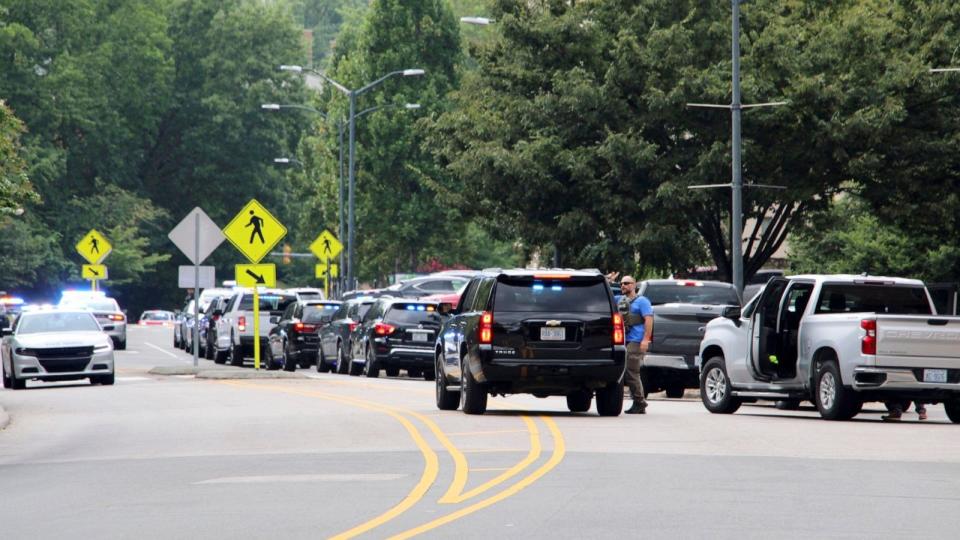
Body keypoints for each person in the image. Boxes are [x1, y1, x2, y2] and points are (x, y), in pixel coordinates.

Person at [618, 275, 654, 414]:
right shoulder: (621, 300)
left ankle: (639, 402)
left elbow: (649, 320)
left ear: (634, 285)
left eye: (626, 283)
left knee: (631, 371)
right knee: (627, 371)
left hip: (637, 340)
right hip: (624, 340)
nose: (623, 285)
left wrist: (645, 339)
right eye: (621, 283)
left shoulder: (642, 301)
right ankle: (638, 401)